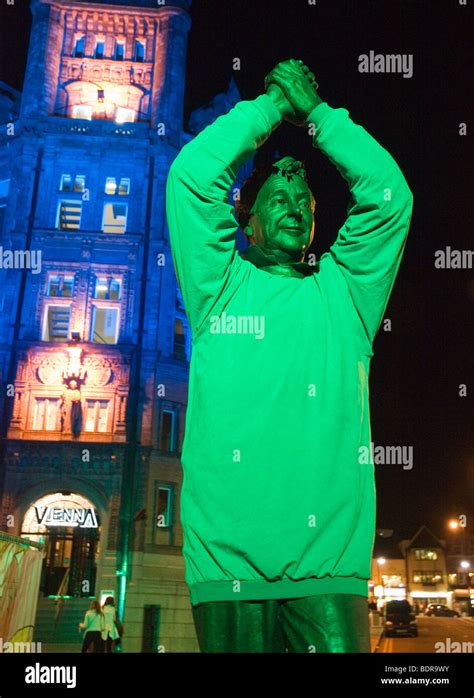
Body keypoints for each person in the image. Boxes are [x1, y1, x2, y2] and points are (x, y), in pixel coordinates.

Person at [166, 58, 413, 652]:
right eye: (276, 196)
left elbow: (389, 197)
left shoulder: (346, 292)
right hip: (229, 563)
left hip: (329, 565)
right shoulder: (217, 287)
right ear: (245, 220)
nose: (294, 205)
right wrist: (273, 107)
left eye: (303, 199)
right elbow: (192, 177)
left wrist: (320, 117)